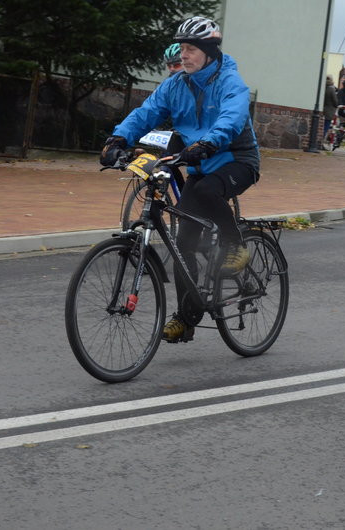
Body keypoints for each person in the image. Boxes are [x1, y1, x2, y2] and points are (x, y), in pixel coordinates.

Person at [100, 15, 259, 343]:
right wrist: (118, 139)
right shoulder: (175, 85)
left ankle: (236, 246)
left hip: (236, 160)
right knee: (183, 244)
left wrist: (207, 144)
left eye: (191, 49)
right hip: (200, 164)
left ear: (209, 52)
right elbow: (147, 112)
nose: (183, 55)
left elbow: (231, 117)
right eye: (182, 49)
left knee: (206, 191)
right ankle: (187, 318)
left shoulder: (229, 80)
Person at [321, 75, 338, 150]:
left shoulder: (324, 87)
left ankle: (320, 142)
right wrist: (337, 104)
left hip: (323, 109)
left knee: (323, 127)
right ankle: (320, 143)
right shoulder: (331, 89)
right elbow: (335, 101)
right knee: (325, 128)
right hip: (329, 111)